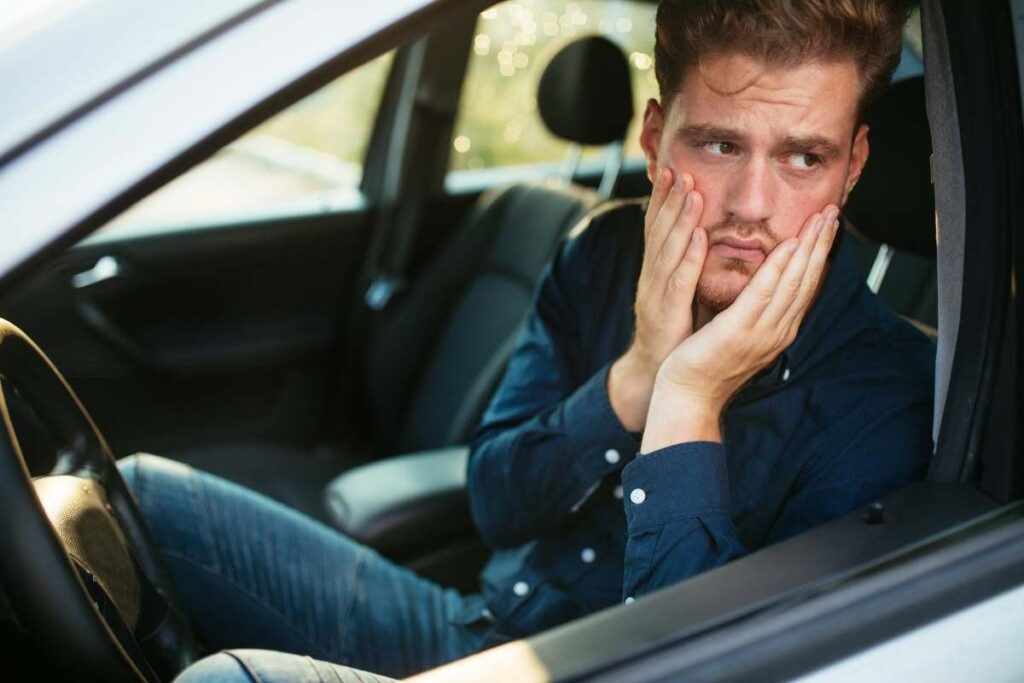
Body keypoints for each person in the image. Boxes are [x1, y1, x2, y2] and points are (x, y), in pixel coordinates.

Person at [131, 1, 934, 680]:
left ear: (853, 166)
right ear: (655, 140)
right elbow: (494, 500)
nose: (752, 205)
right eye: (720, 144)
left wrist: (688, 395)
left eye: (804, 157)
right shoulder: (600, 254)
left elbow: (711, 665)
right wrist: (639, 370)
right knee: (134, 494)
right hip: (481, 629)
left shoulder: (888, 393)